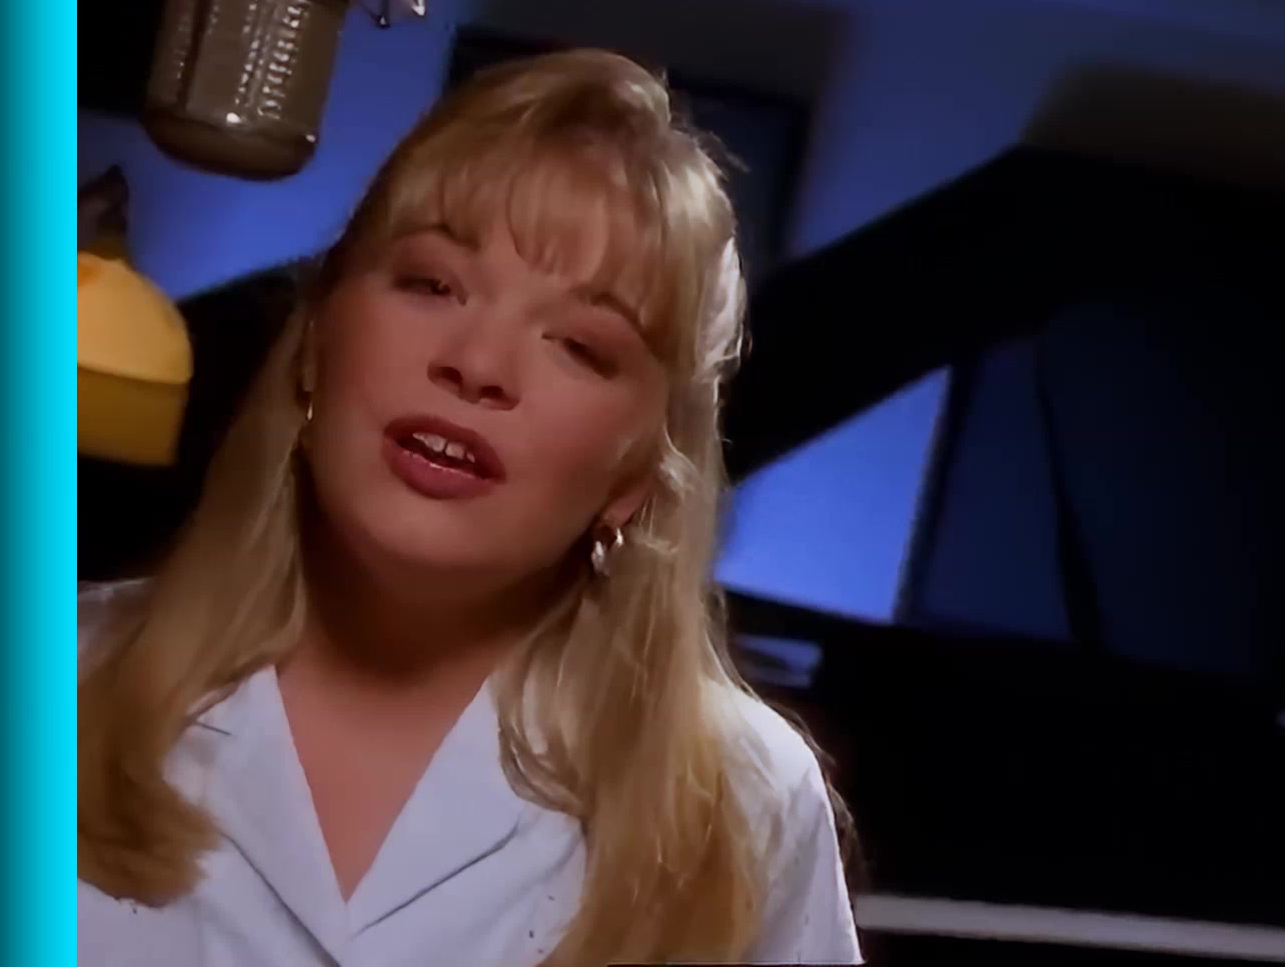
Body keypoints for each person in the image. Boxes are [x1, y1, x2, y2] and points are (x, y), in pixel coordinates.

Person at [77, 49, 861, 966]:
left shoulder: (748, 802)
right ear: (316, 343)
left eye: (579, 345)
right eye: (432, 284)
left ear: (637, 475)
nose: (477, 364)